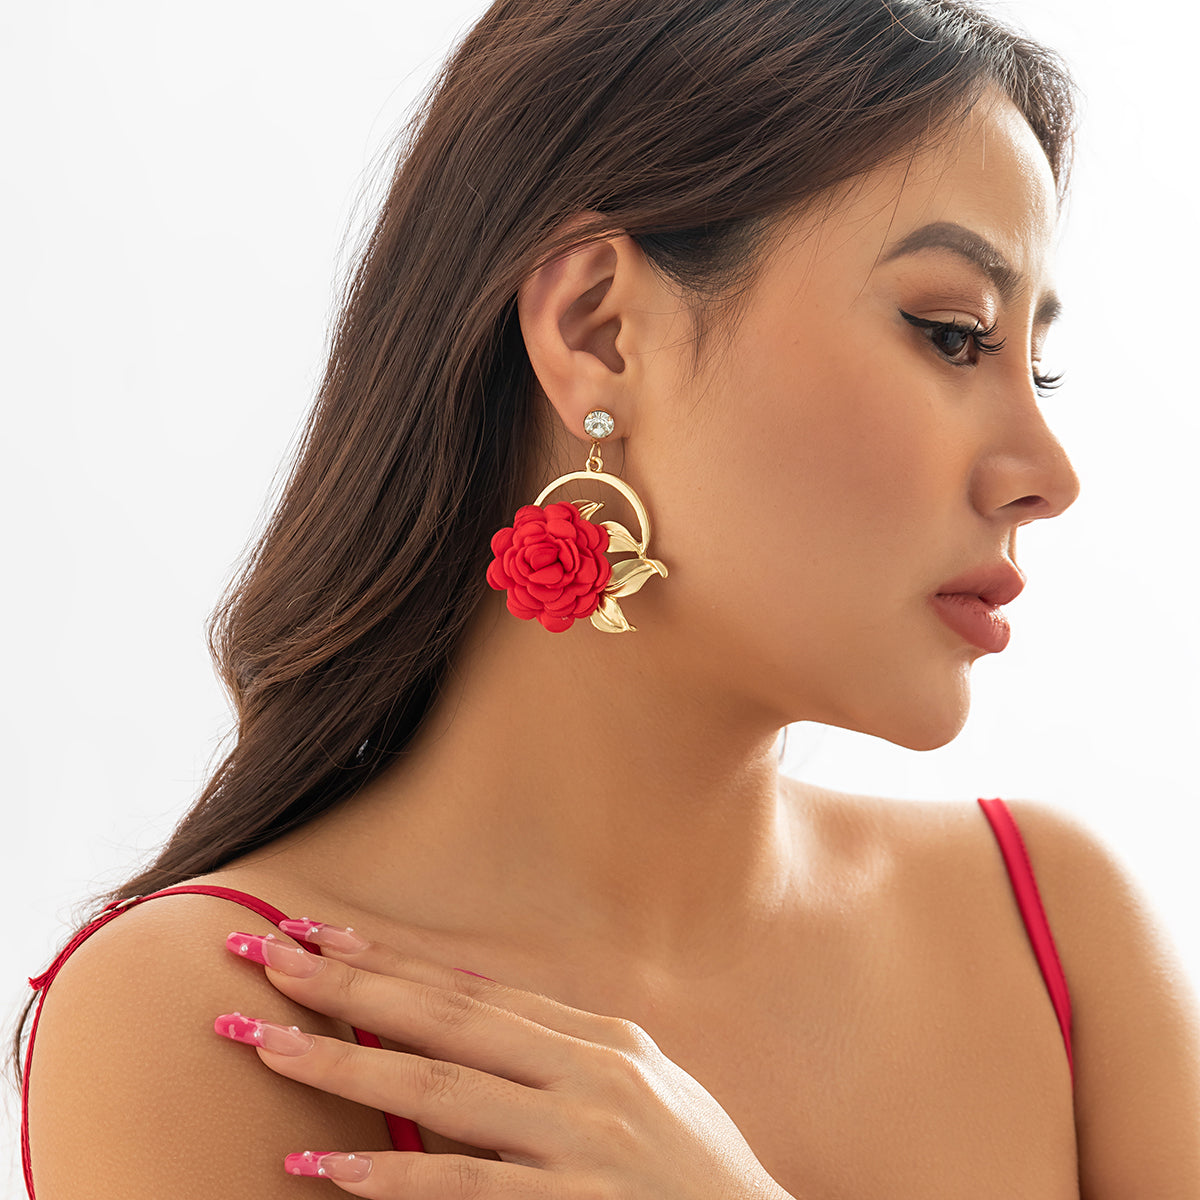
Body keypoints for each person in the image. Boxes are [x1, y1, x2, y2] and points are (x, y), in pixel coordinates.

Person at [12, 0, 1200, 1195]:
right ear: (600, 331)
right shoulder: (215, 1014)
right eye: (952, 335)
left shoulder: (1058, 927)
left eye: (1037, 367)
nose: (1047, 475)